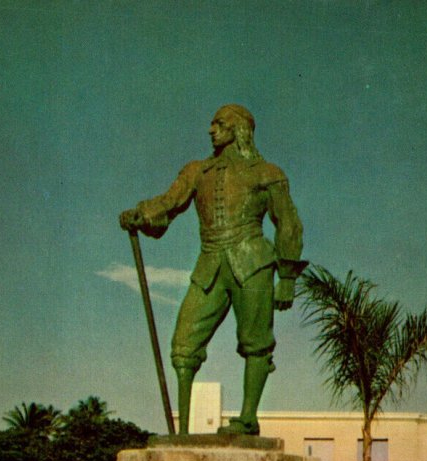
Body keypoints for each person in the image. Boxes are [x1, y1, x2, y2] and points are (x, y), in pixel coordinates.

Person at [120, 104, 307, 435]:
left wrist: (287, 277)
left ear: (237, 129)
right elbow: (170, 201)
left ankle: (248, 419)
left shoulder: (267, 173)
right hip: (210, 265)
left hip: (253, 264)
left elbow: (288, 224)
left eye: (218, 124)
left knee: (256, 341)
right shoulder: (197, 171)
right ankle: (182, 433)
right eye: (211, 124)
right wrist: (142, 213)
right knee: (183, 343)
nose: (211, 130)